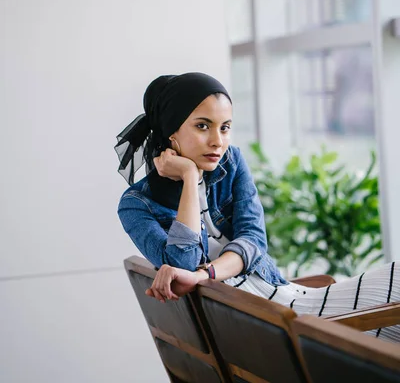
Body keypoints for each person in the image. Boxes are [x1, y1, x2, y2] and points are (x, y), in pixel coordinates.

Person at [115, 72, 399, 343]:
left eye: (225, 128)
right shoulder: (136, 205)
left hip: (281, 302)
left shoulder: (232, 161)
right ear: (170, 131)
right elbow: (182, 263)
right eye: (203, 126)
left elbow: (253, 240)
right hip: (277, 321)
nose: (218, 141)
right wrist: (190, 178)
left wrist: (205, 274)